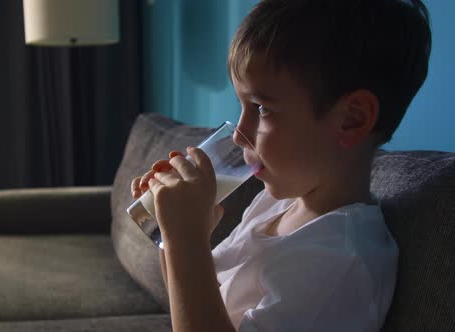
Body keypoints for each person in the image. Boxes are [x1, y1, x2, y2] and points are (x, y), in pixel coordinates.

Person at [130, 0, 431, 330]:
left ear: (352, 119)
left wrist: (185, 239)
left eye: (261, 108)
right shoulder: (275, 203)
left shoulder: (341, 259)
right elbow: (196, 302)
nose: (238, 135)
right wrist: (174, 232)